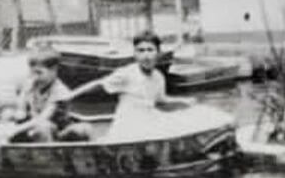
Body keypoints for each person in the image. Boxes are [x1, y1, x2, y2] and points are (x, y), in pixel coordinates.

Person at [62, 30, 195, 140]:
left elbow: (161, 100)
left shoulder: (158, 77)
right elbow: (98, 85)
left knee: (182, 123)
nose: (146, 56)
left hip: (149, 117)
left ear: (158, 53)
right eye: (141, 51)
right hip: (129, 122)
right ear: (135, 54)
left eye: (150, 50)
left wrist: (183, 101)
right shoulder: (127, 73)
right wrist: (72, 95)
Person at [2, 46, 91, 143]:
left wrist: (16, 130)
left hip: (56, 131)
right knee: (7, 113)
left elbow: (42, 119)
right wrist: (24, 92)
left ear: (54, 70)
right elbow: (21, 113)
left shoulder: (60, 90)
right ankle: (11, 146)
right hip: (32, 125)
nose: (35, 77)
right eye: (32, 72)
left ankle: (48, 154)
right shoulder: (30, 85)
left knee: (43, 127)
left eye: (39, 73)